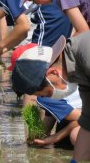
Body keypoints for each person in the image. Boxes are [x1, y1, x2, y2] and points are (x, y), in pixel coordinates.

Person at [11, 31, 90, 162]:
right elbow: (87, 122)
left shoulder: (86, 57)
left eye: (48, 93)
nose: (52, 97)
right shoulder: (79, 72)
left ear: (53, 72)